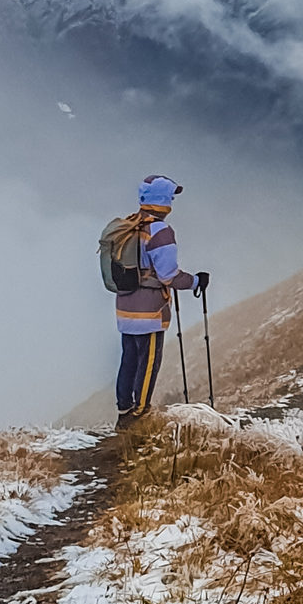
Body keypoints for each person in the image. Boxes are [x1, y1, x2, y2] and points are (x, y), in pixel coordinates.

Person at [115, 175, 208, 428]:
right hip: (150, 312)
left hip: (125, 308)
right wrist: (196, 282)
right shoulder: (160, 230)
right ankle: (141, 414)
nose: (172, 201)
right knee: (148, 364)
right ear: (162, 200)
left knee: (129, 360)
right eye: (171, 196)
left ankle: (124, 412)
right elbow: (168, 275)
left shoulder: (128, 225)